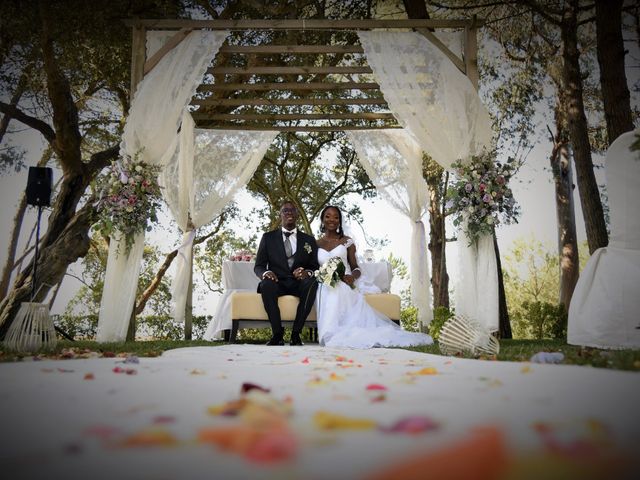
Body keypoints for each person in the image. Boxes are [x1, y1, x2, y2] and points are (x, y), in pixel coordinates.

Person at [315, 205, 433, 348]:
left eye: (336, 217)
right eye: (328, 216)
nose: (331, 220)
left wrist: (351, 277)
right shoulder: (316, 244)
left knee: (336, 289)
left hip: (345, 282)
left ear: (340, 221)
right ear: (322, 219)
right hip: (324, 283)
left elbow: (356, 268)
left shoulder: (347, 241)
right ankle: (329, 333)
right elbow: (314, 268)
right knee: (327, 289)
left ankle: (331, 334)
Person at [254, 201, 319, 346]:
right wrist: (267, 273)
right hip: (277, 282)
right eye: (285, 210)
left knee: (312, 284)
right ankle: (277, 334)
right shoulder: (268, 238)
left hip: (298, 283)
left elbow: (315, 267)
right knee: (265, 285)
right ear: (280, 215)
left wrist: (306, 273)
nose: (289, 212)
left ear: (297, 215)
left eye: (292, 210)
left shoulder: (309, 240)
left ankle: (296, 334)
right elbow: (259, 266)